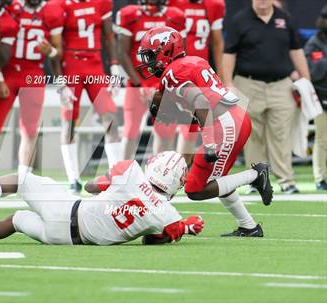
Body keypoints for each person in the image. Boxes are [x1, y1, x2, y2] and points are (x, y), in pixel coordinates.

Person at [138, 27, 273, 236]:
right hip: (232, 118)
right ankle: (249, 226)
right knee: (217, 179)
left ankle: (256, 175)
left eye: (151, 55)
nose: (148, 62)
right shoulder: (192, 61)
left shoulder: (173, 73)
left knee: (195, 189)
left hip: (224, 124)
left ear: (166, 51)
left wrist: (209, 142)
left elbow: (201, 102)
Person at [0, 151, 205, 246]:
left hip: (71, 210)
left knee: (21, 180)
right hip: (65, 238)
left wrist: (108, 188)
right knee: (17, 221)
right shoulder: (169, 215)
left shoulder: (130, 171)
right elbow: (152, 240)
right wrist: (185, 227)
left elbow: (91, 187)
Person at [222, 0, 311, 194]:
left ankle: (286, 180)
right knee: (253, 134)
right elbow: (229, 54)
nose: (262, 1)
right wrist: (228, 82)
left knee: (281, 133)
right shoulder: (240, 20)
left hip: (281, 84)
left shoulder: (284, 18)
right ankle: (256, 180)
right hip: (248, 83)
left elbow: (296, 50)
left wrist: (306, 79)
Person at [0, 0, 64, 182]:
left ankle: (24, 179)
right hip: (7, 72)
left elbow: (59, 53)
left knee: (30, 129)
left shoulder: (52, 12)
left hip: (33, 73)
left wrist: (49, 51)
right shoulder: (12, 9)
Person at [51, 0, 121, 194]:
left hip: (95, 64)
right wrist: (59, 82)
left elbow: (109, 36)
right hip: (70, 65)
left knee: (110, 120)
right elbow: (54, 48)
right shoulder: (59, 5)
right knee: (70, 122)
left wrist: (114, 67)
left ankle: (116, 176)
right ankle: (73, 178)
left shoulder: (101, 2)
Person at [116, 0, 185, 160]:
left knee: (165, 132)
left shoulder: (175, 16)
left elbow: (179, 54)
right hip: (137, 83)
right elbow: (122, 53)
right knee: (130, 131)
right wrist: (138, 84)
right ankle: (122, 172)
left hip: (164, 83)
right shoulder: (129, 15)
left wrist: (164, 84)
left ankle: (158, 175)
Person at [167, 0, 225, 164]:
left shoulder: (213, 5)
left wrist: (221, 75)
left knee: (191, 125)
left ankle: (179, 170)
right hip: (177, 71)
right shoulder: (173, 4)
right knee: (169, 126)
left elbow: (217, 42)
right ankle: (167, 170)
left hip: (199, 72)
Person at [304, 5, 327, 191]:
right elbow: (312, 72)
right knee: (322, 139)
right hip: (322, 98)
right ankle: (320, 177)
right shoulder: (315, 42)